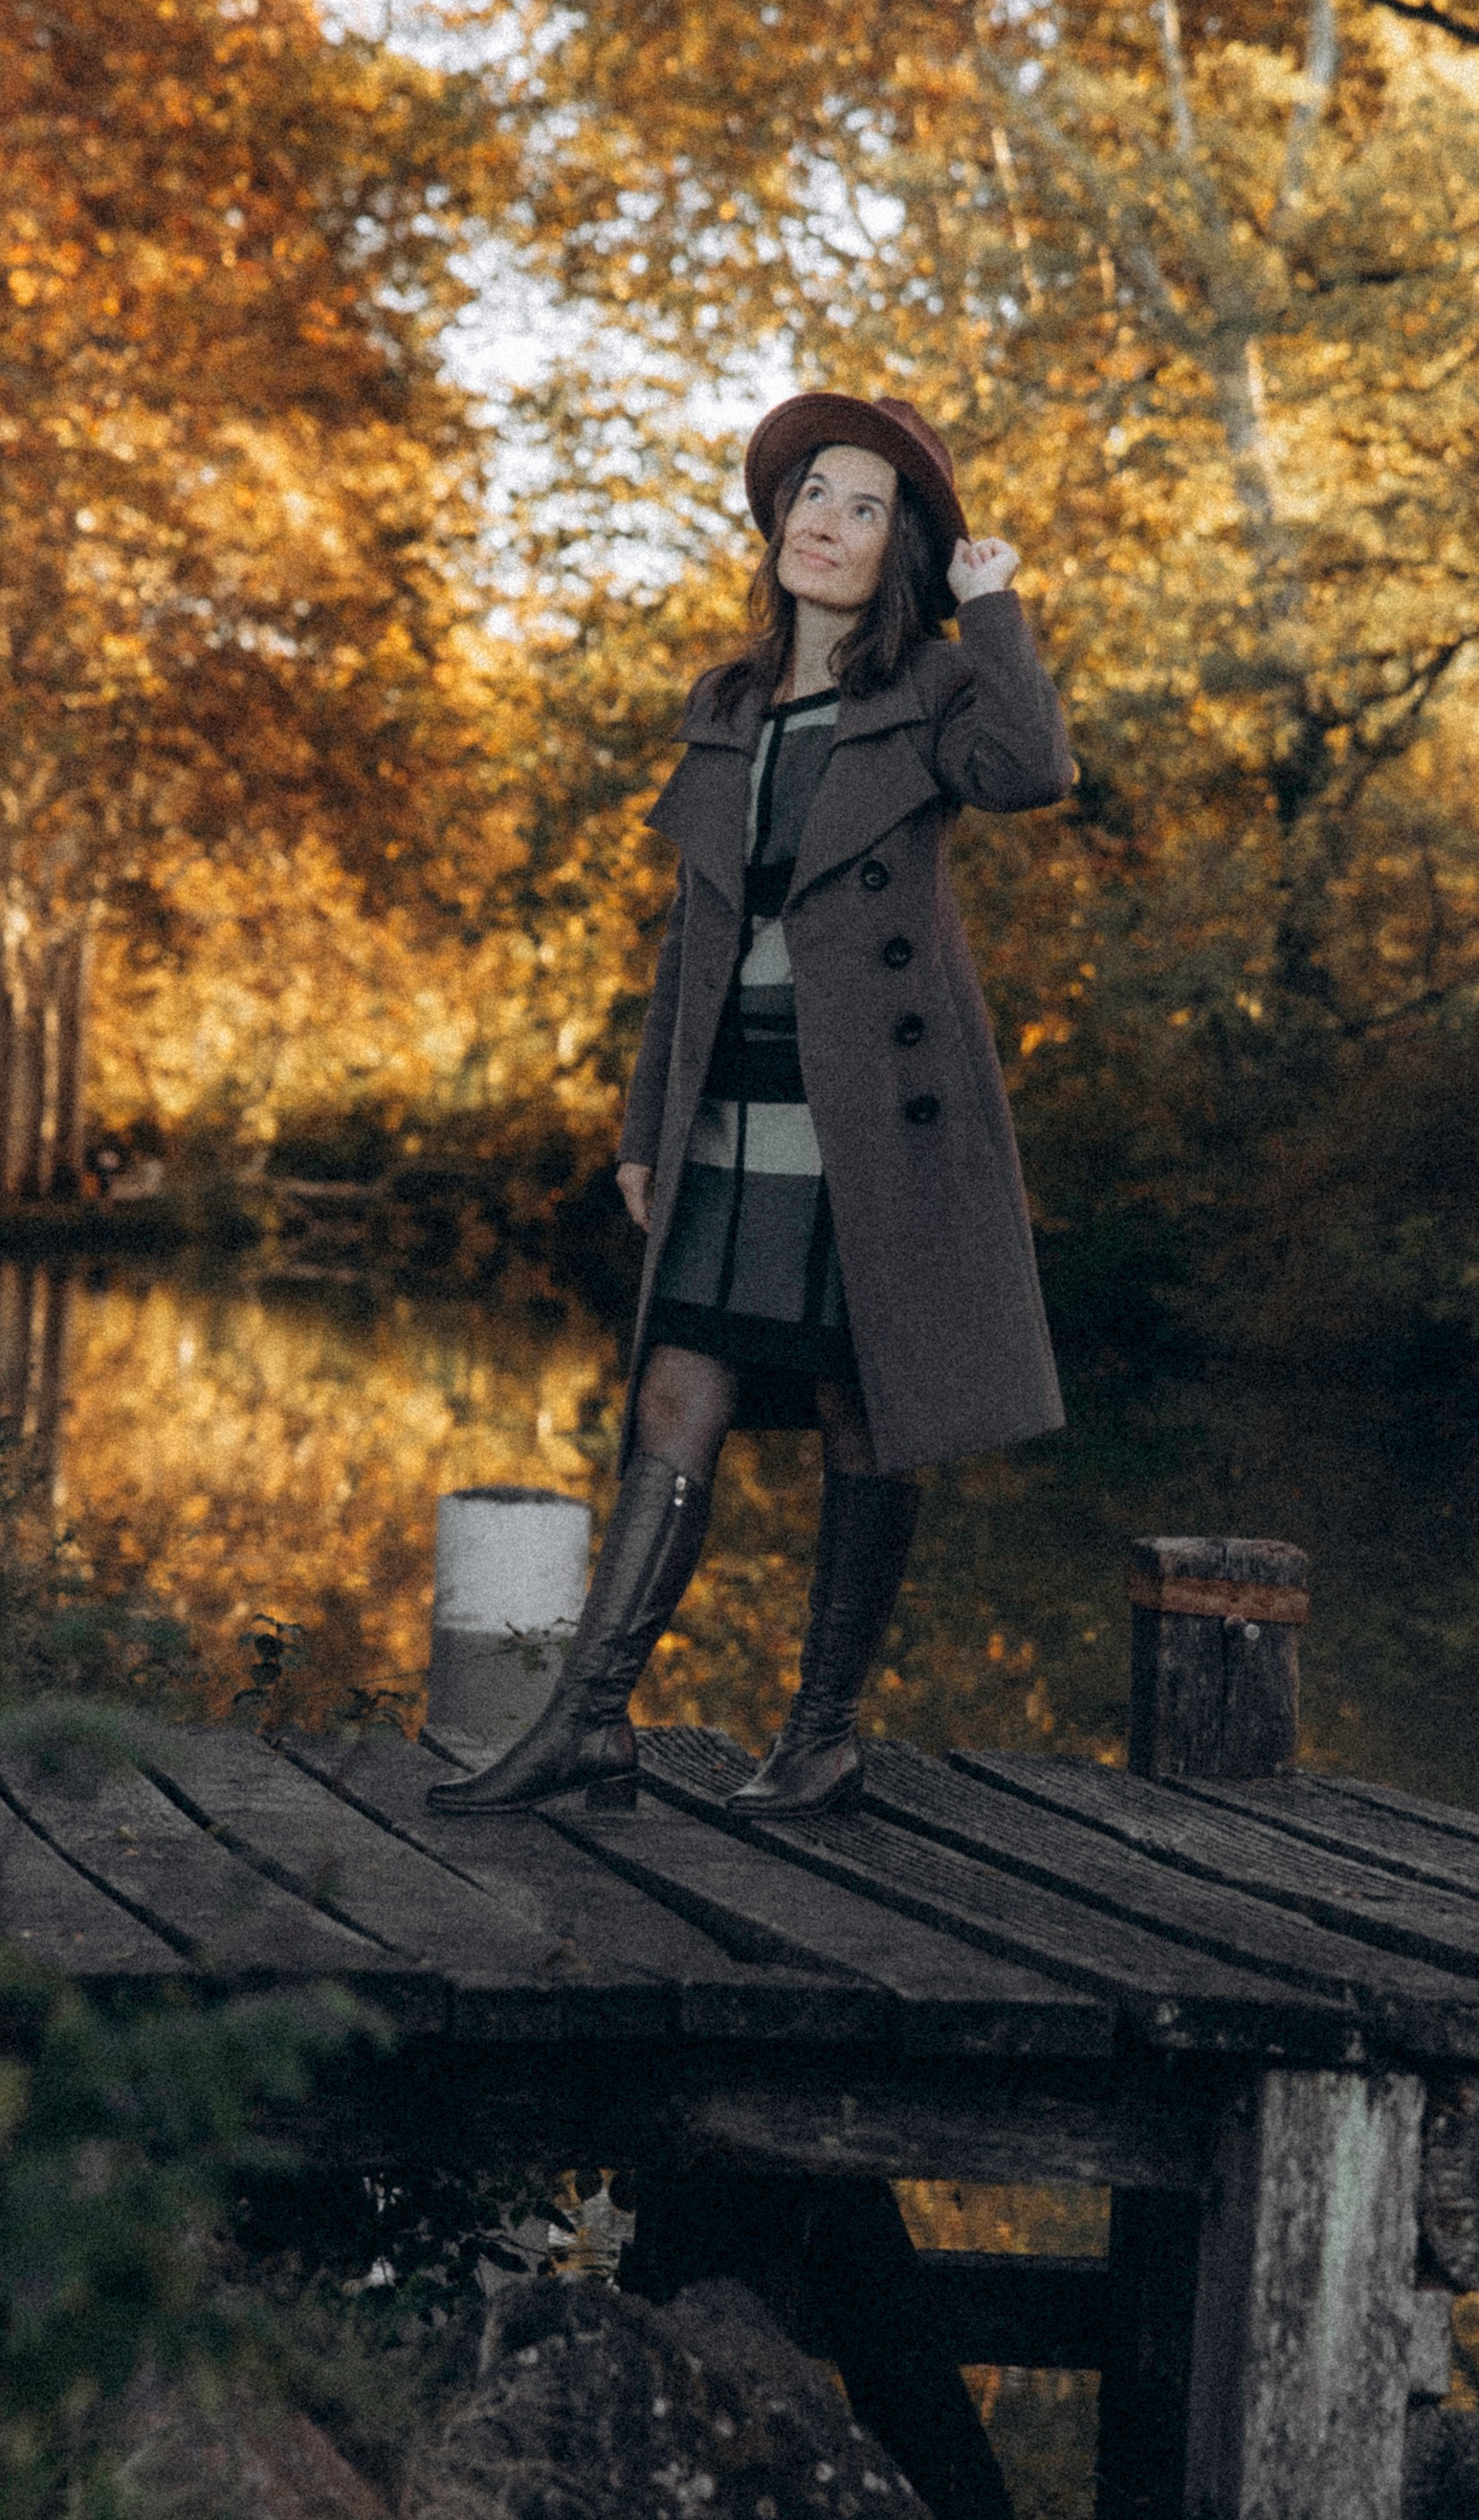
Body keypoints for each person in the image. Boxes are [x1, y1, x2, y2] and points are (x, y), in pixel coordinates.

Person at [431, 390, 1074, 1824]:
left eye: (864, 507)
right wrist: (644, 1129)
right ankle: (587, 1724)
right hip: (728, 1108)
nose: (825, 522)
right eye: (812, 494)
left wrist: (996, 609)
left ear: (902, 551)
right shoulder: (728, 705)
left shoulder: (935, 690)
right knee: (676, 1388)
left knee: (863, 1402)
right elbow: (693, 938)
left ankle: (822, 1737)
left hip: (876, 1117)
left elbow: (1034, 771)